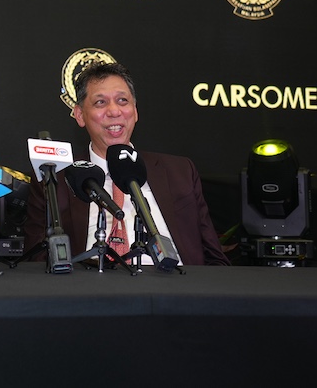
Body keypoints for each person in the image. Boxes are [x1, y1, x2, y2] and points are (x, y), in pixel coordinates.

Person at [24, 62, 229, 266]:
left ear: (135, 111)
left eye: (122, 101)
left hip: (174, 282)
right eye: (100, 103)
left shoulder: (180, 172)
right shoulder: (55, 179)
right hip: (90, 283)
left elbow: (215, 259)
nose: (114, 111)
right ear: (80, 115)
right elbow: (37, 264)